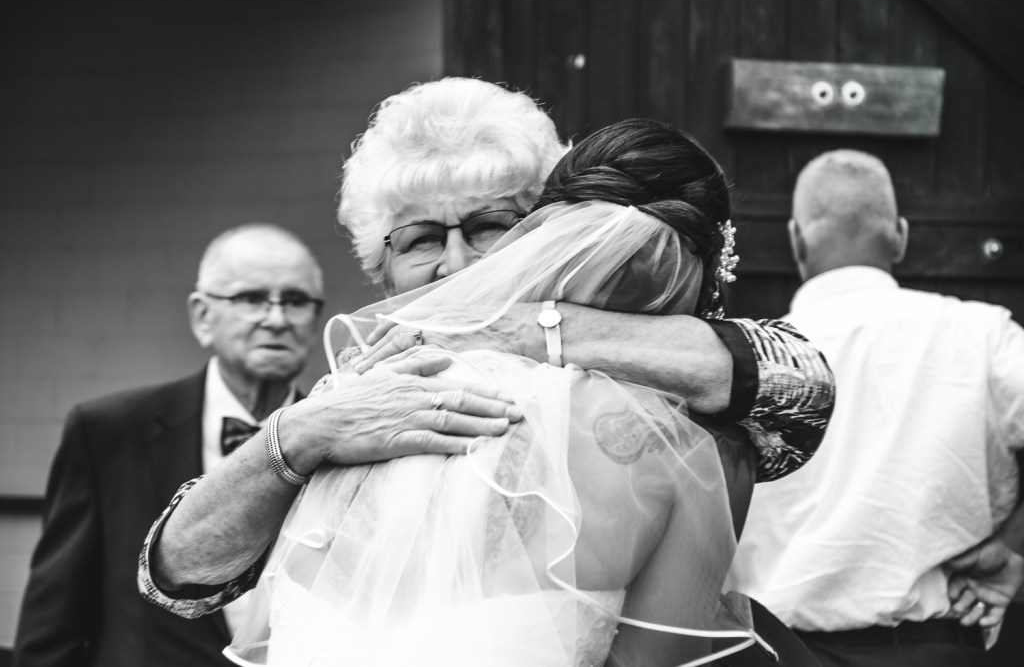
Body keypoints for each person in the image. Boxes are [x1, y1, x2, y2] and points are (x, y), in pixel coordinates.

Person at [138, 79, 833, 627]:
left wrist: (526, 330)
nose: (456, 263)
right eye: (421, 239)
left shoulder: (621, 360)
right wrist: (300, 435)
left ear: (551, 234)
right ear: (379, 266)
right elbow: (175, 578)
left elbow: (801, 387)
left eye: (488, 226)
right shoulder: (358, 389)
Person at [732, 149, 1024, 667]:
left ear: (796, 239)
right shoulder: (984, 335)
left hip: (778, 651)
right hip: (937, 650)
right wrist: (1015, 548)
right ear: (901, 236)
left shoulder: (746, 358)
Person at [13, 224, 325, 667]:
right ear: (202, 316)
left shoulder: (341, 444)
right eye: (251, 298)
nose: (276, 319)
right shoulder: (107, 431)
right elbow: (52, 624)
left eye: (295, 301)